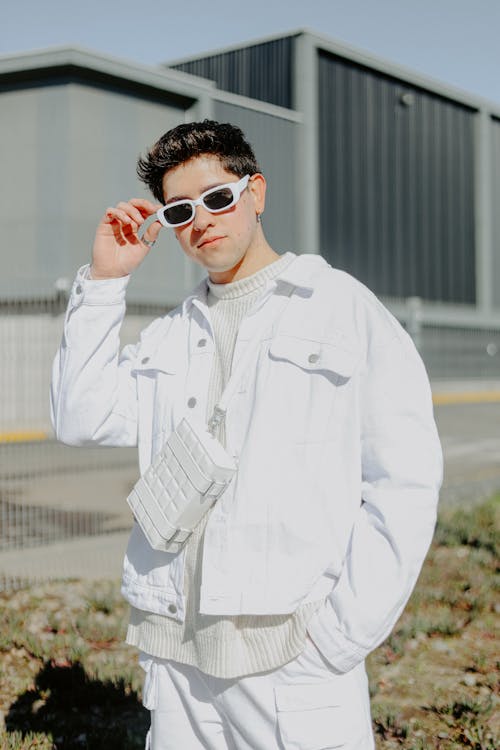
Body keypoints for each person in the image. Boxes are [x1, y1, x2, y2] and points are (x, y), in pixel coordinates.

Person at [51, 120, 443, 750]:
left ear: (255, 192)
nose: (201, 219)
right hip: (176, 656)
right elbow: (78, 416)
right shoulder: (170, 334)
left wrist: (337, 639)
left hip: (292, 657)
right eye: (181, 209)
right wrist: (104, 282)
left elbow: (405, 481)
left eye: (218, 198)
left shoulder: (341, 307)